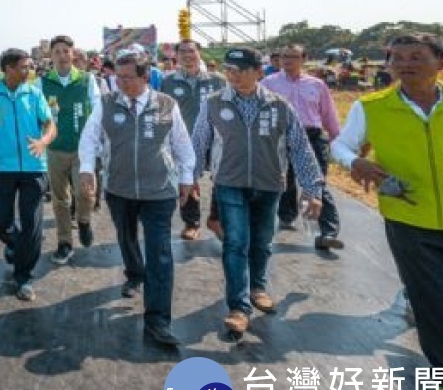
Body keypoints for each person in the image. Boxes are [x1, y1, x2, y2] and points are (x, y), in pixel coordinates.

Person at [331, 32, 443, 390]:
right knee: (434, 304)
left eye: (416, 56)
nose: (405, 63)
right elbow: (340, 146)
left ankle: (434, 315)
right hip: (408, 218)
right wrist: (355, 162)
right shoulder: (371, 107)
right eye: (397, 57)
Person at [192, 47, 323, 338]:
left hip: (269, 184)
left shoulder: (279, 106)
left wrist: (313, 190)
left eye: (241, 70)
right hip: (229, 183)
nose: (233, 75)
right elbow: (199, 142)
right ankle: (238, 308)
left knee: (262, 241)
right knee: (236, 242)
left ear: (258, 72)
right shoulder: (213, 104)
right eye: (229, 70)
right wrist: (189, 180)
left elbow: (300, 148)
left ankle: (258, 287)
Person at [78, 51, 196, 346]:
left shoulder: (167, 104)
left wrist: (186, 179)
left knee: (160, 253)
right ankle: (134, 272)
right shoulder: (105, 104)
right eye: (118, 77)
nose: (121, 83)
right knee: (126, 235)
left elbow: (182, 143)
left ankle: (157, 321)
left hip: (159, 191)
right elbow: (90, 138)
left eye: (128, 78)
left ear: (146, 77)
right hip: (119, 189)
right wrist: (86, 169)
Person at [0, 49, 56, 302]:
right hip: (2, 167)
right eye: (24, 66)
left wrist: (43, 142)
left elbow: (50, 124)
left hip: (34, 167)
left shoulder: (35, 93)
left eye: (29, 66)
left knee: (32, 224)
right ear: (8, 69)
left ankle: (24, 276)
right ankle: (15, 246)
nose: (29, 70)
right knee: (0, 221)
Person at [262, 44, 345, 250]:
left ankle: (326, 232)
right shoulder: (267, 84)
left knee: (316, 184)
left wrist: (339, 142)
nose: (287, 61)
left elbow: (328, 115)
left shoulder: (317, 85)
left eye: (293, 57)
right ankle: (287, 215)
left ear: (304, 59)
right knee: (286, 181)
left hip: (312, 138)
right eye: (284, 57)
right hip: (280, 138)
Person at [39, 35, 101, 264]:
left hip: (82, 149)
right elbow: (37, 115)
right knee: (59, 199)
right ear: (51, 56)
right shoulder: (43, 83)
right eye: (57, 51)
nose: (62, 55)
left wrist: (98, 143)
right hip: (55, 149)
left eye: (66, 51)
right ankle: (64, 243)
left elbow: (97, 111)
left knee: (85, 192)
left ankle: (83, 221)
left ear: (73, 54)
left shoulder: (87, 80)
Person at [160, 40, 226, 240]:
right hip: (183, 141)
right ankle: (191, 223)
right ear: (177, 56)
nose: (188, 55)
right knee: (187, 180)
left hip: (215, 139)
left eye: (192, 51)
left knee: (223, 179)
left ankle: (216, 218)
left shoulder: (218, 80)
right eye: (183, 52)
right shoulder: (168, 82)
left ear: (200, 53)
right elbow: (163, 112)